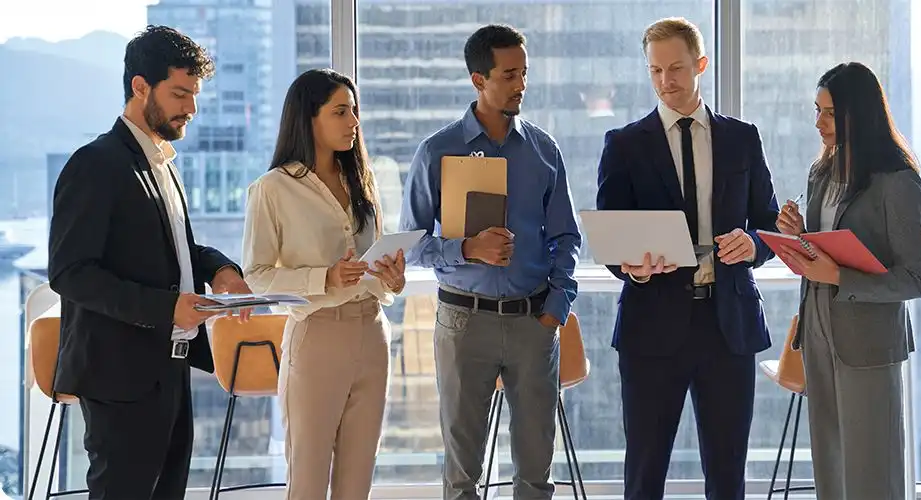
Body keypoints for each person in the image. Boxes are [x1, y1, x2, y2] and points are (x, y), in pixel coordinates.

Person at [47, 25, 253, 499]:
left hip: (171, 372)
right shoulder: (95, 164)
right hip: (121, 379)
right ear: (140, 87)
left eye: (195, 95)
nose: (192, 109)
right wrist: (167, 309)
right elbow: (70, 272)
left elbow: (178, 249)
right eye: (180, 93)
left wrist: (221, 268)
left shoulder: (163, 164)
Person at [595, 17, 780, 500]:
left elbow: (767, 222)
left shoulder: (743, 138)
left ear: (701, 65)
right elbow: (614, 234)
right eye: (655, 71)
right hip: (651, 325)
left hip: (728, 325)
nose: (665, 81)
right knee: (644, 475)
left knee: (727, 477)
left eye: (675, 68)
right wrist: (629, 268)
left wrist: (753, 244)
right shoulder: (625, 144)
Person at [399, 24, 581, 500]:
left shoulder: (545, 150)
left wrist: (554, 310)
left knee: (536, 474)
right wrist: (466, 248)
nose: (521, 84)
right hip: (462, 322)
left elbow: (567, 237)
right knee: (461, 476)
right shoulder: (437, 152)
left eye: (524, 73)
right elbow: (411, 245)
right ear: (478, 80)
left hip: (532, 321)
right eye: (509, 75)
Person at [242, 68, 405, 500]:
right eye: (341, 111)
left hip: (373, 336)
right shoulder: (272, 189)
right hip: (317, 338)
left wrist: (392, 279)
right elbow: (256, 276)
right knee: (309, 481)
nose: (354, 122)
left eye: (354, 112)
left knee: (357, 484)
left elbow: (379, 275)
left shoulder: (363, 182)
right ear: (308, 118)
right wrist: (324, 277)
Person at [775, 62, 921, 500]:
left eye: (828, 113)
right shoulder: (820, 173)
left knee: (871, 472)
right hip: (820, 332)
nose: (817, 122)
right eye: (816, 110)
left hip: (868, 341)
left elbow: (914, 279)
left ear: (856, 115)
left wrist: (840, 275)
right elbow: (825, 250)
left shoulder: (897, 183)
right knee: (831, 465)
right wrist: (798, 237)